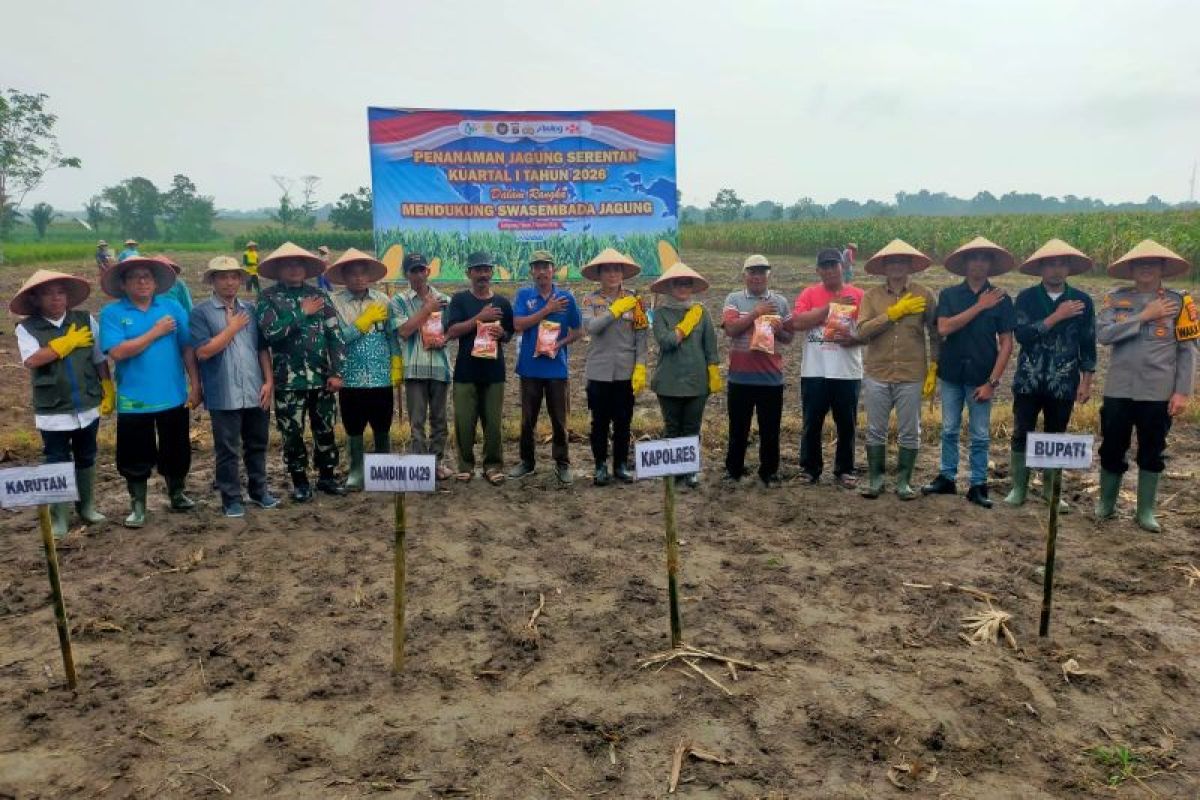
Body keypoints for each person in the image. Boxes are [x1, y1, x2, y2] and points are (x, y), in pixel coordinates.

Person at [1095, 240, 1196, 532]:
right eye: (1140, 263)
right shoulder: (1115, 300)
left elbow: (1188, 350)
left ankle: (1145, 511)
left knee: (1153, 450)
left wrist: (1182, 392)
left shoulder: (1180, 302)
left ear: (1163, 268)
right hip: (1119, 389)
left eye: (1153, 263)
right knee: (1112, 447)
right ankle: (1106, 505)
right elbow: (1104, 334)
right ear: (1130, 269)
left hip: (1157, 391)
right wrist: (1144, 316)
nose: (1146, 268)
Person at [98, 257, 201, 528]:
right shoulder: (112, 313)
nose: (142, 281)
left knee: (176, 449)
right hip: (134, 399)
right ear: (123, 284)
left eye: (147, 276)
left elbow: (187, 348)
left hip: (173, 394)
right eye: (135, 277)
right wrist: (155, 332)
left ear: (155, 282)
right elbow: (118, 352)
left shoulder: (172, 307)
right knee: (134, 454)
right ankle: (138, 505)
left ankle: (177, 493)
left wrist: (196, 384)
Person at [13, 270, 115, 537]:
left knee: (86, 454)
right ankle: (59, 517)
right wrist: (63, 345)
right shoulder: (27, 328)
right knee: (56, 458)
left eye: (60, 292)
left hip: (87, 404)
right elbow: (32, 359)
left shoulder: (85, 320)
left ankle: (87, 507)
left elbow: (98, 357)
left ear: (67, 296)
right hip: (53, 409)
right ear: (35, 299)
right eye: (48, 293)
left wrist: (107, 386)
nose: (56, 298)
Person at [922, 236, 1017, 508]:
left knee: (980, 434)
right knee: (949, 429)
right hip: (952, 373)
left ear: (990, 264)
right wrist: (979, 306)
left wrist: (992, 382)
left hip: (981, 377)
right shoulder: (950, 295)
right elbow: (944, 328)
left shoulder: (1001, 299)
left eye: (984, 259)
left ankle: (978, 484)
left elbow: (1007, 343)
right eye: (973, 258)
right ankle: (947, 477)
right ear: (965, 264)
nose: (978, 263)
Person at [1005, 239, 1096, 512]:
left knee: (1056, 434)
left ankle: (1050, 489)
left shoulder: (1082, 301)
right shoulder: (1026, 298)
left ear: (1068, 268)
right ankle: (1019, 488)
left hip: (1064, 382)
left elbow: (1088, 343)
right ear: (1041, 269)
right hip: (1028, 380)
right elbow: (1022, 335)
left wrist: (1086, 381)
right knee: (1022, 432)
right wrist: (1056, 317)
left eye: (1061, 264)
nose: (1056, 270)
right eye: (1050, 264)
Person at [254, 241, 347, 502]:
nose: (294, 269)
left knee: (325, 429)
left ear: (306, 269)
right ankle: (300, 482)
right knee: (292, 433)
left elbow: (335, 336)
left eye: (299, 265)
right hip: (287, 381)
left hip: (321, 378)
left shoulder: (320, 296)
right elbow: (270, 333)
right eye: (288, 265)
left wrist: (337, 372)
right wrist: (301, 313)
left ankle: (327, 476)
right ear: (279, 270)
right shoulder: (268, 298)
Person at [189, 256, 278, 518]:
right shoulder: (201, 313)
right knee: (227, 449)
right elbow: (203, 352)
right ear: (213, 281)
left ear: (240, 280)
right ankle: (231, 498)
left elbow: (261, 349)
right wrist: (232, 328)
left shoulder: (250, 309)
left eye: (234, 276)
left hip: (254, 388)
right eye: (222, 277)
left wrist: (268, 381)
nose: (229, 282)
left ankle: (259, 491)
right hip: (223, 391)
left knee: (257, 444)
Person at [854, 240, 939, 499]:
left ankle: (904, 482)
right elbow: (862, 332)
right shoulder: (871, 297)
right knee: (875, 429)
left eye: (902, 261)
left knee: (910, 431)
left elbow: (935, 333)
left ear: (910, 266)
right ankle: (876, 480)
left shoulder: (925, 295)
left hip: (911, 373)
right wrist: (892, 314)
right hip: (877, 372)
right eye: (891, 262)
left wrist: (934, 366)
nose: (896, 266)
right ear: (884, 267)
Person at [327, 248, 404, 491]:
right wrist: (362, 323)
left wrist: (396, 363)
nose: (359, 278)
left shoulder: (384, 300)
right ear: (344, 276)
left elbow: (391, 336)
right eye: (353, 274)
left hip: (381, 375)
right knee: (353, 425)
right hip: (350, 376)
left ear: (370, 276)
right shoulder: (334, 302)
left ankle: (383, 471)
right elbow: (338, 338)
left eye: (363, 273)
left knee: (382, 424)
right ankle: (357, 471)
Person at [790, 247, 865, 487]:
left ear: (842, 267)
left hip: (847, 372)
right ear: (818, 270)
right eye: (825, 266)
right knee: (812, 423)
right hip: (815, 371)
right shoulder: (809, 293)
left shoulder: (858, 295)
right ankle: (810, 468)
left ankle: (845, 469)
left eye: (834, 265)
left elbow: (869, 329)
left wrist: (855, 338)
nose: (830, 270)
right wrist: (830, 306)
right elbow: (797, 322)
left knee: (847, 424)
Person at [509, 250, 583, 484]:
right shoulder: (524, 296)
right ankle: (527, 462)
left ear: (553, 270)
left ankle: (562, 463)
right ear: (531, 271)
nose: (541, 271)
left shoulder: (566, 298)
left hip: (556, 370)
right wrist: (546, 310)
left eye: (545, 267)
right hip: (529, 369)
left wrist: (558, 344)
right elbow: (518, 325)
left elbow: (578, 331)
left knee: (559, 420)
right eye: (537, 267)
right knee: (527, 420)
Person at [720, 254, 793, 487]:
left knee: (770, 430)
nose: (757, 276)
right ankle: (733, 470)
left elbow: (789, 337)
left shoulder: (780, 302)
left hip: (770, 379)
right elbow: (730, 329)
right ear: (745, 275)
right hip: (739, 378)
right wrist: (756, 313)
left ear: (768, 275)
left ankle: (769, 472)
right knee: (738, 428)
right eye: (752, 272)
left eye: (761, 272)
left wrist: (780, 330)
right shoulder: (734, 299)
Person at [443, 251, 515, 485]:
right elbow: (452, 331)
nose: (483, 274)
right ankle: (465, 466)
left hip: (494, 372)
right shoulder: (460, 300)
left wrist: (502, 333)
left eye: (486, 269)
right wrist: (480, 317)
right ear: (469, 273)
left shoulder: (502, 302)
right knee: (464, 422)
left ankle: (492, 466)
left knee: (493, 424)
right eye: (478, 270)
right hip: (466, 372)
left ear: (491, 272)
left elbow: (509, 333)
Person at [579, 248, 648, 486]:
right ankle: (600, 466)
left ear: (623, 273)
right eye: (607, 270)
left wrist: (641, 366)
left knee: (623, 421)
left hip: (625, 371)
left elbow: (641, 335)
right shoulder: (589, 300)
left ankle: (620, 465)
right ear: (599, 274)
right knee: (599, 422)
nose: (612, 274)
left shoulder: (635, 300)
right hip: (598, 370)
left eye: (617, 269)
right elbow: (592, 327)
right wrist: (615, 310)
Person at [651, 262, 720, 489]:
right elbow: (667, 342)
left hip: (697, 381)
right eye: (678, 283)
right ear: (670, 287)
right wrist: (685, 325)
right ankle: (674, 470)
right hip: (668, 381)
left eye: (686, 284)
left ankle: (689, 470)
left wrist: (713, 372)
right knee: (672, 428)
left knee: (692, 427)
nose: (682, 287)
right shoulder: (660, 314)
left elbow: (710, 347)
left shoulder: (702, 313)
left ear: (692, 288)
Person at [391, 252, 454, 480]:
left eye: (421, 270)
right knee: (417, 422)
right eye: (413, 270)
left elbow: (452, 330)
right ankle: (420, 466)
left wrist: (445, 338)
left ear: (428, 271)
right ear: (406, 274)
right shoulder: (399, 301)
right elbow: (404, 331)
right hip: (414, 368)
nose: (418, 275)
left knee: (440, 421)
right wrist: (427, 309)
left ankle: (436, 463)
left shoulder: (445, 300)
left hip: (439, 367)